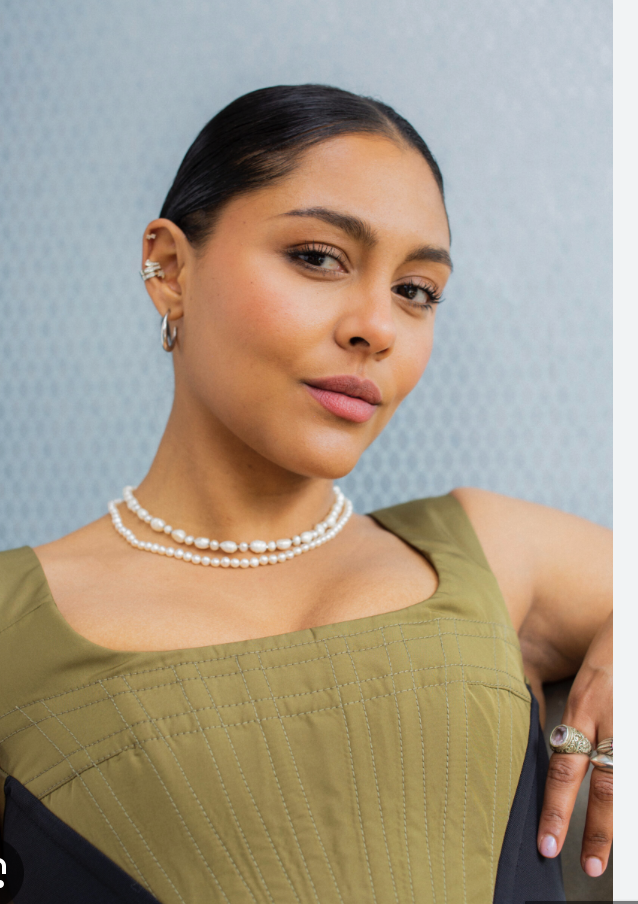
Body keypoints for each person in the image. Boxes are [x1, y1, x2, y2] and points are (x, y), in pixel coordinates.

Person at [0, 84, 612, 904]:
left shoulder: (489, 549)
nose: (378, 327)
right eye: (319, 257)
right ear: (171, 268)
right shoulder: (13, 623)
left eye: (416, 290)